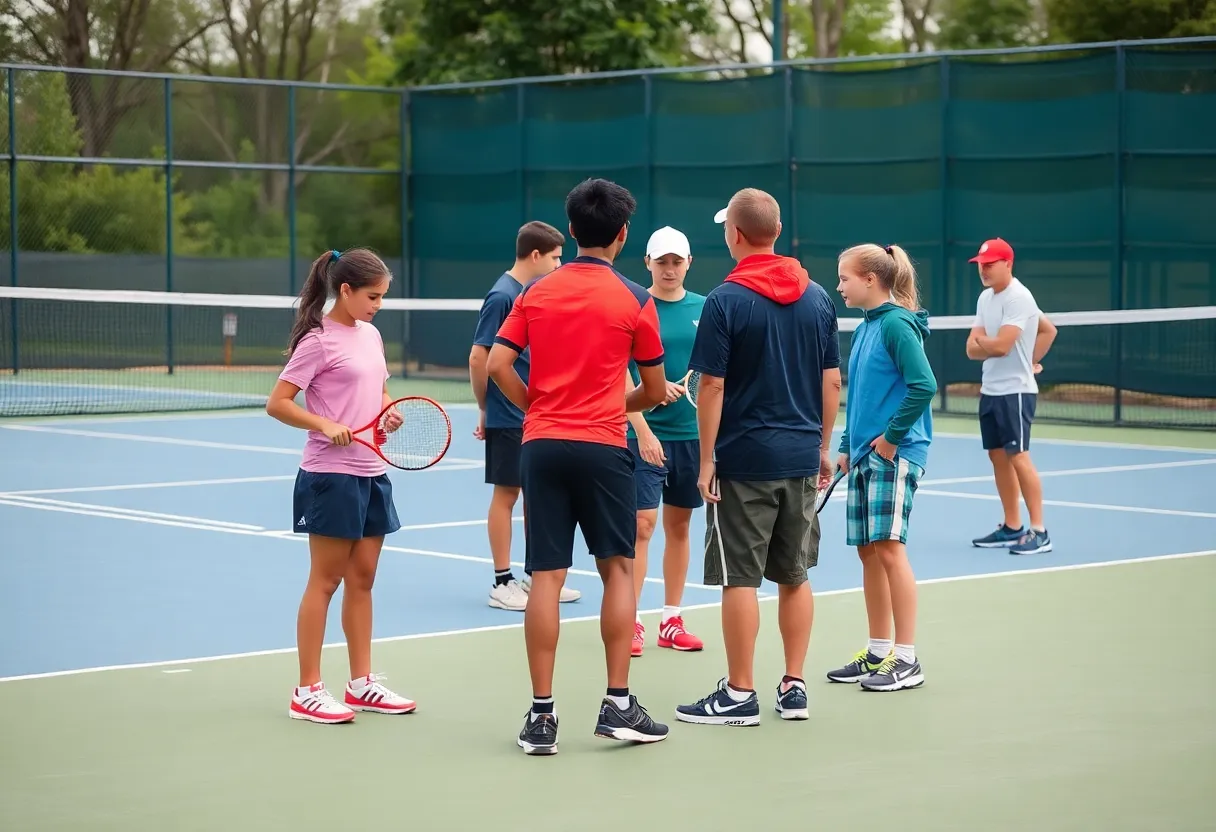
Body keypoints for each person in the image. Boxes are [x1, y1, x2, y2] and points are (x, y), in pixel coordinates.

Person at [487, 178, 676, 755]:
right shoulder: (635, 299)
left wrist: (538, 408)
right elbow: (655, 387)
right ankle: (618, 705)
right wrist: (615, 407)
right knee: (618, 570)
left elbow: (496, 364)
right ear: (622, 235)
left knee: (545, 576)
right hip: (602, 446)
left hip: (540, 445)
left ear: (570, 231)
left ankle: (541, 719)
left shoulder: (535, 292)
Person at [675, 188, 841, 727]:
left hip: (742, 461)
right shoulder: (818, 297)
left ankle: (740, 694)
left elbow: (713, 386)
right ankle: (794, 687)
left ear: (737, 235)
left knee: (739, 579)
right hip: (798, 458)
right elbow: (831, 381)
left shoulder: (725, 299)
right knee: (794, 575)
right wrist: (821, 448)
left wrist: (705, 462)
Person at [267, 247, 416, 725]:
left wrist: (387, 410)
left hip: (372, 472)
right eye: (372, 296)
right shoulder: (317, 340)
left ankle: (361, 683)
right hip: (330, 476)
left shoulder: (371, 335)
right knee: (326, 580)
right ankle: (307, 689)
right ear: (345, 290)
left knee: (363, 579)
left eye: (382, 298)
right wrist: (323, 424)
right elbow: (279, 403)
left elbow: (378, 391)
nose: (377, 305)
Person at [824, 243, 937, 692]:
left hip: (898, 452)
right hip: (867, 455)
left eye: (845, 278)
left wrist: (891, 439)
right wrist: (848, 446)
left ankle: (907, 659)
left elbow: (923, 385)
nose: (839, 286)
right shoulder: (867, 326)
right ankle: (877, 651)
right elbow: (863, 397)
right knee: (868, 552)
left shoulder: (895, 326)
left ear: (871, 279)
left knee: (889, 549)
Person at [469, 221, 581, 611]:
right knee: (507, 495)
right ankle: (502, 581)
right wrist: (486, 408)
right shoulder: (502, 296)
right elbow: (479, 357)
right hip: (508, 414)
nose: (559, 263)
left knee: (537, 495)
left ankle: (536, 575)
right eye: (555, 257)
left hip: (535, 414)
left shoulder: (532, 293)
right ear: (535, 255)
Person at [623, 226, 706, 658]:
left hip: (692, 437)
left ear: (688, 263)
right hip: (644, 436)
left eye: (677, 261)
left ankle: (671, 619)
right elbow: (621, 372)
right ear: (648, 263)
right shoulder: (635, 305)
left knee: (679, 526)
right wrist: (644, 428)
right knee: (641, 526)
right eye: (662, 261)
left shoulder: (706, 309)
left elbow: (714, 375)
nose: (669, 268)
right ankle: (631, 620)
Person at [964, 238, 1057, 556]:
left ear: (1008, 264)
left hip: (1016, 391)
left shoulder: (1020, 297)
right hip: (990, 390)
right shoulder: (985, 298)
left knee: (1018, 456)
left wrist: (1015, 356)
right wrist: (1021, 353)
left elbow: (1000, 346)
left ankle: (1040, 531)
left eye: (990, 264)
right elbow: (970, 348)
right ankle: (1012, 526)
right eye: (981, 265)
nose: (984, 270)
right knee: (998, 457)